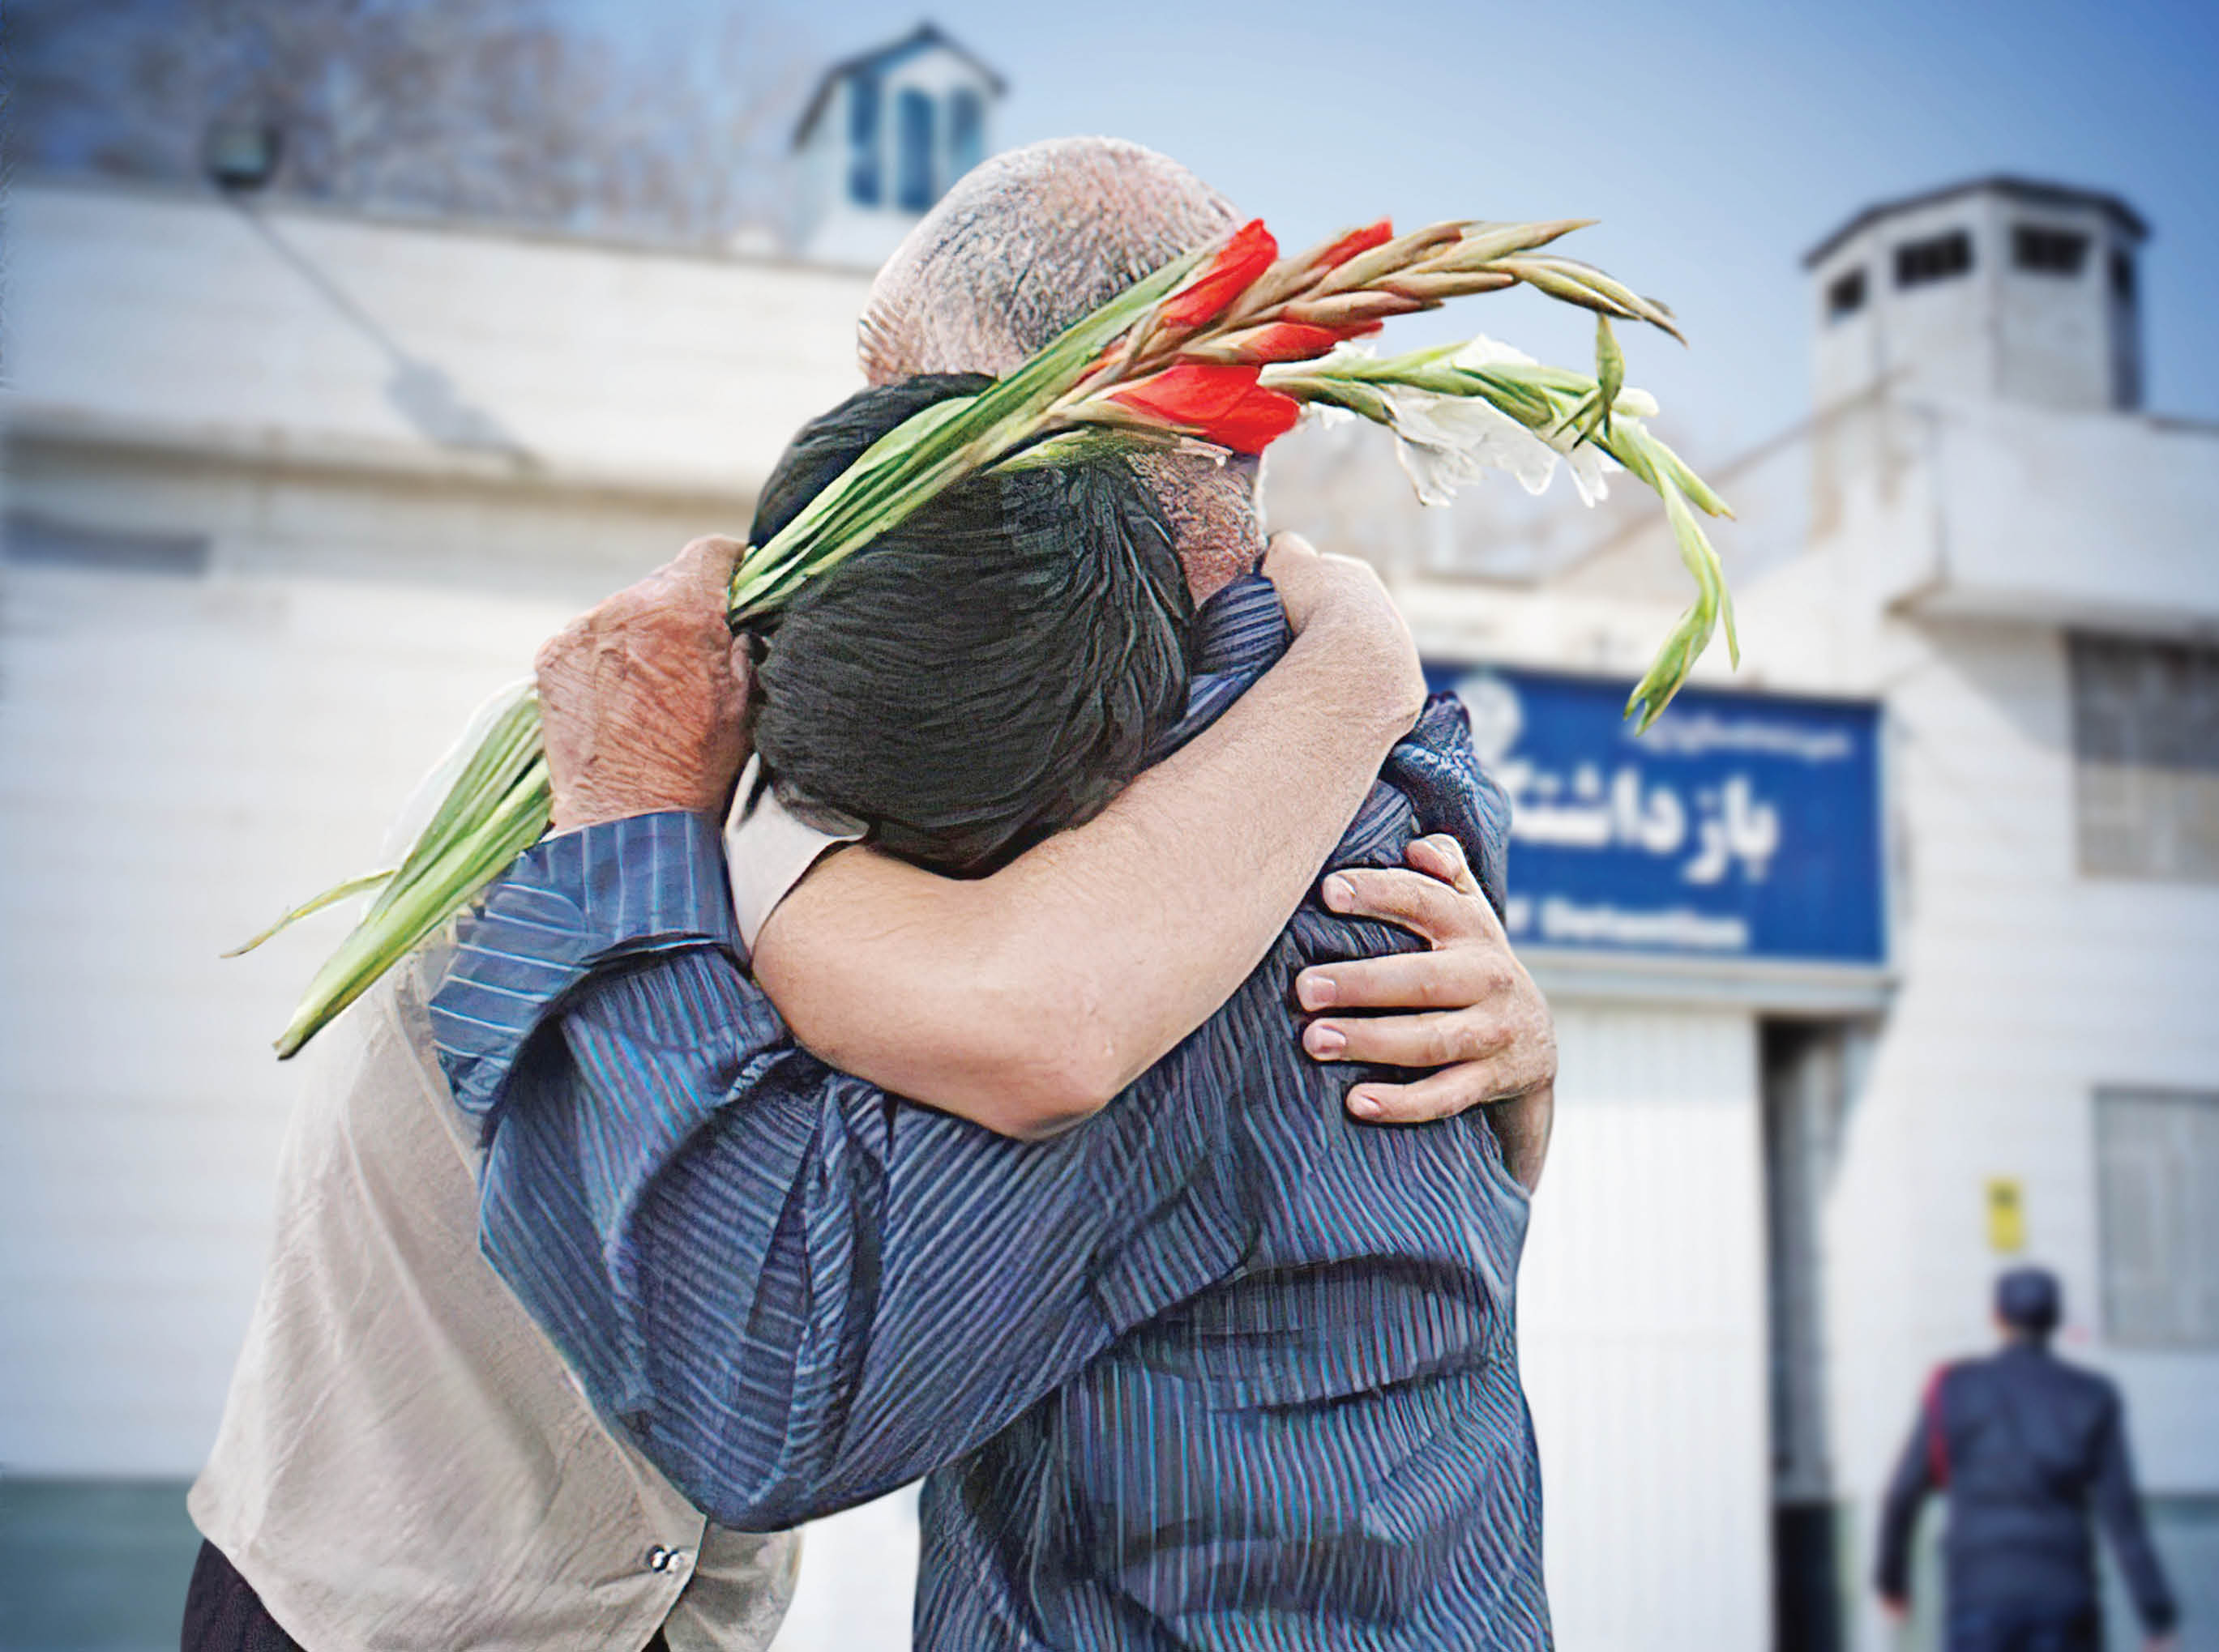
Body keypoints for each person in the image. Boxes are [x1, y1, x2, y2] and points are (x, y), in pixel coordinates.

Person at [181, 171, 1555, 1652]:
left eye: (886, 385)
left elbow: (783, 1361)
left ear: (1024, 426)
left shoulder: (1201, 874)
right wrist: (1360, 668)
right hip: (390, 1610)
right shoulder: (686, 729)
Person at [1875, 1266, 2179, 1652]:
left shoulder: (1955, 1388)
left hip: (1979, 1598)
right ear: (2056, 1319)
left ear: (1996, 1317)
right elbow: (2123, 1519)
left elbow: (1903, 1492)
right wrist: (2157, 1616)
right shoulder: (2093, 1396)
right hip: (2065, 1600)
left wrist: (1892, 1584)